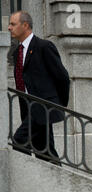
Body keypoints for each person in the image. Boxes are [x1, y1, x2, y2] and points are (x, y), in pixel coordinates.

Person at [8, 11, 70, 164]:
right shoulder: (17, 53)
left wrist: (56, 104)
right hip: (28, 110)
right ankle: (57, 185)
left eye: (13, 24)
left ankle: (25, 181)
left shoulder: (44, 46)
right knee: (45, 152)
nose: (9, 28)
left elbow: (62, 78)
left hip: (43, 107)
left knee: (19, 141)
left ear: (25, 25)